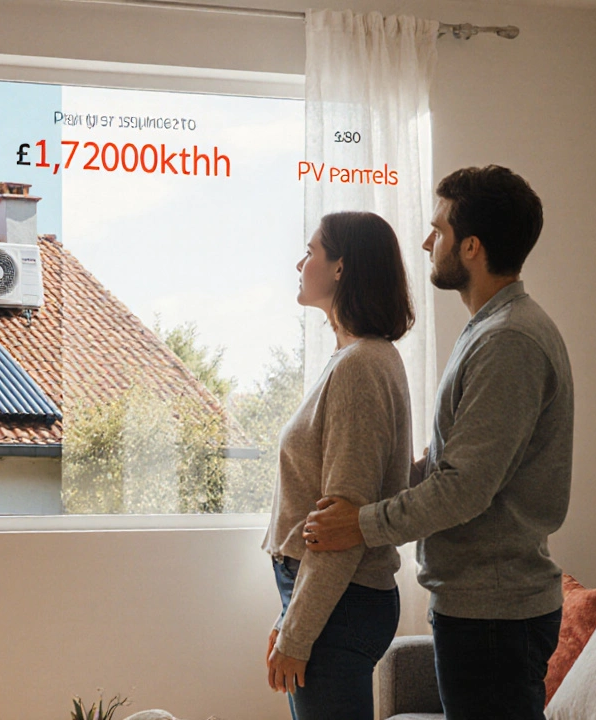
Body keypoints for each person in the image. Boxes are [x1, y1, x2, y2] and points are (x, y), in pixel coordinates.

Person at [302, 166, 574, 720]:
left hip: (495, 614)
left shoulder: (510, 342)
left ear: (471, 247)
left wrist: (361, 522)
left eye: (439, 229)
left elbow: (464, 489)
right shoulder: (488, 331)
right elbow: (456, 465)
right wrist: (383, 477)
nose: (427, 241)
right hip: (478, 605)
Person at [262, 211, 415, 720]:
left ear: (340, 269)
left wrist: (298, 630)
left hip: (342, 600)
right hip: (333, 598)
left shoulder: (360, 367)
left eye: (311, 251)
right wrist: (292, 618)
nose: (299, 262)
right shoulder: (356, 358)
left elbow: (340, 525)